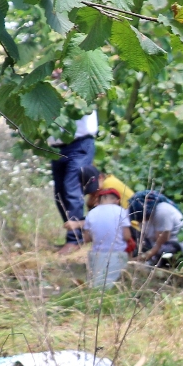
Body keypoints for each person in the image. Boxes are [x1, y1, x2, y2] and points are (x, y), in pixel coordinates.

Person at [51, 110, 98, 254]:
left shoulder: (80, 88)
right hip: (56, 147)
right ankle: (79, 235)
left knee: (72, 188)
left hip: (79, 144)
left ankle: (75, 240)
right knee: (60, 193)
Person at [82, 189, 130, 289]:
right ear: (117, 201)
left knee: (97, 284)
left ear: (98, 201)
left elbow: (86, 239)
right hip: (117, 253)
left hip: (97, 255)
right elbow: (127, 237)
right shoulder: (121, 211)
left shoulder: (91, 213)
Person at [131, 191, 183, 266]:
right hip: (151, 245)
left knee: (166, 250)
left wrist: (136, 260)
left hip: (173, 246)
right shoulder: (141, 215)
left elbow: (160, 245)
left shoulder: (162, 212)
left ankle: (153, 266)